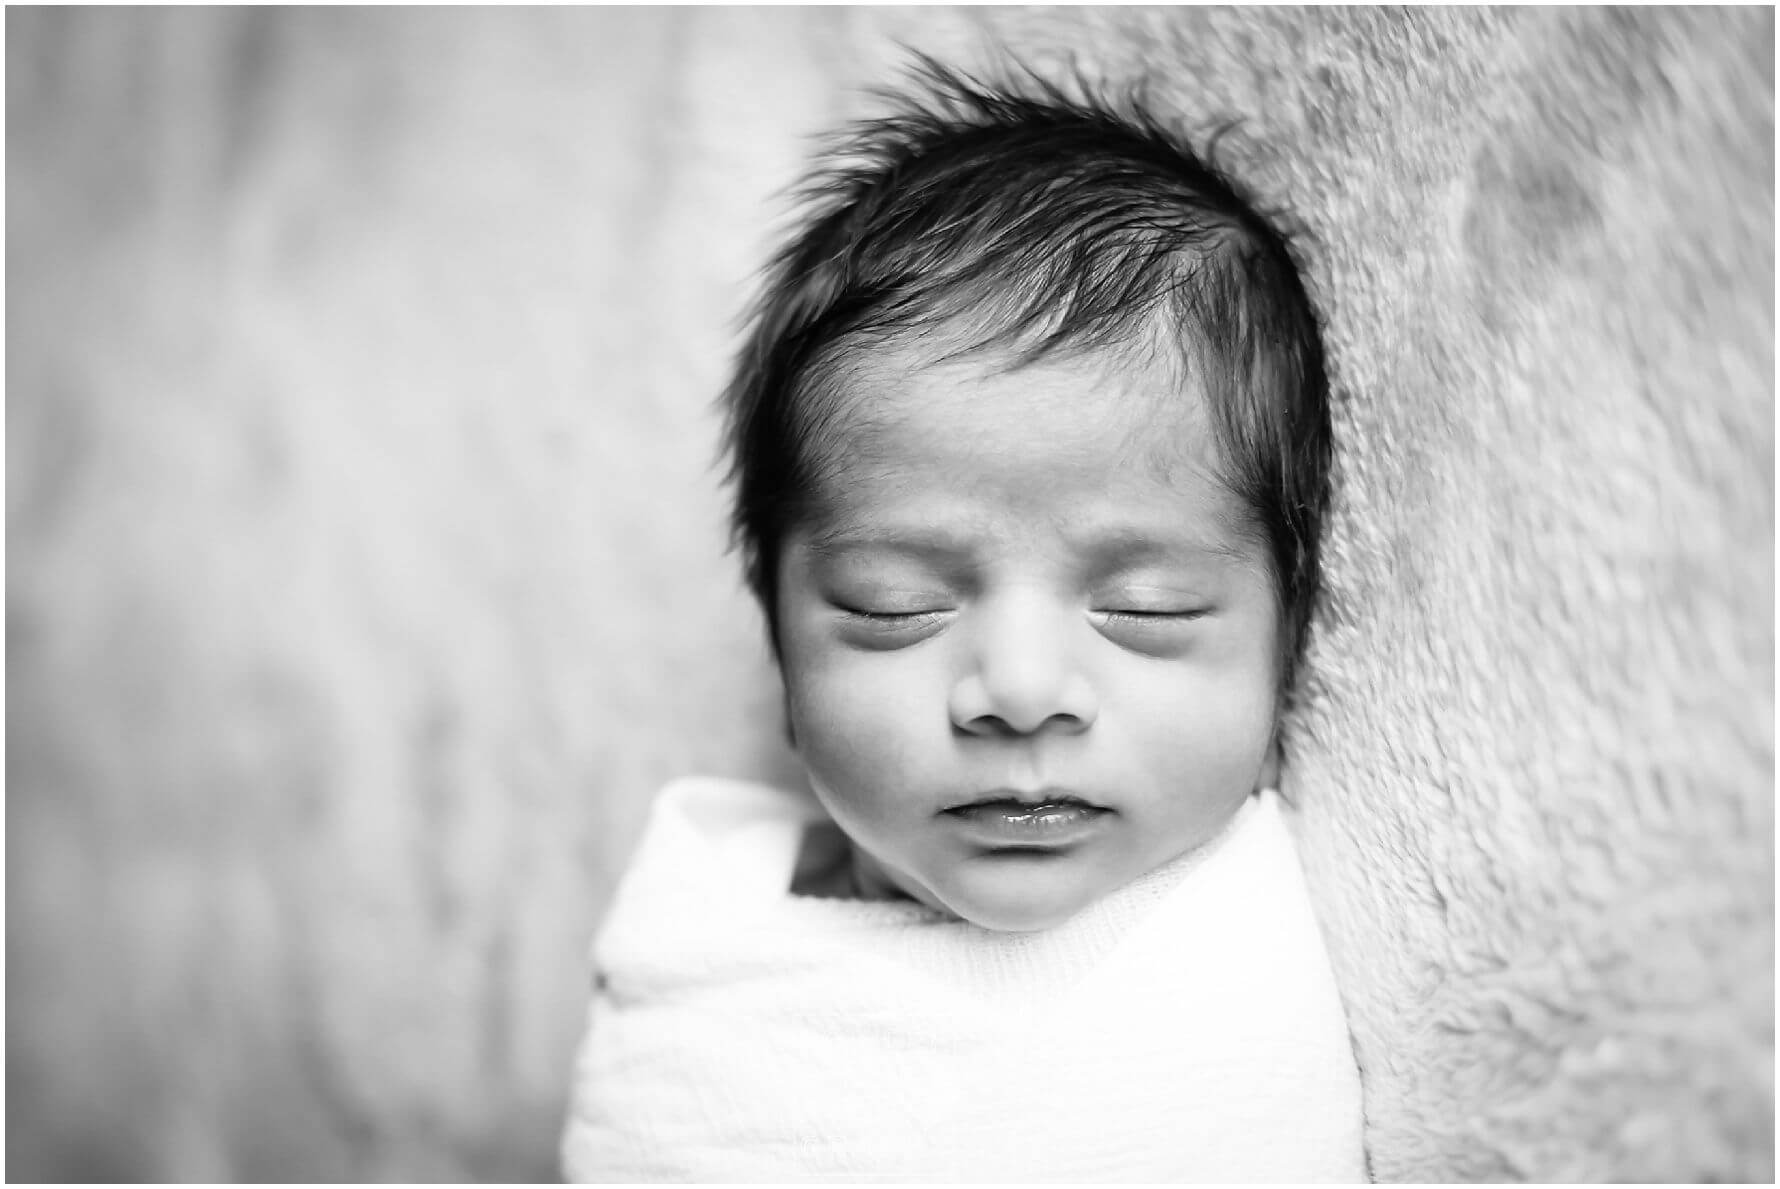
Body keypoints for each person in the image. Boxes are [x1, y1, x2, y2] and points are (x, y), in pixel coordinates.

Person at [562, 58, 1367, 1182]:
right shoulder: (707, 937)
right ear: (780, 643)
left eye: (1146, 607)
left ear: (1292, 640)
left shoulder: (1234, 976)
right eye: (894, 607)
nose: (1020, 687)